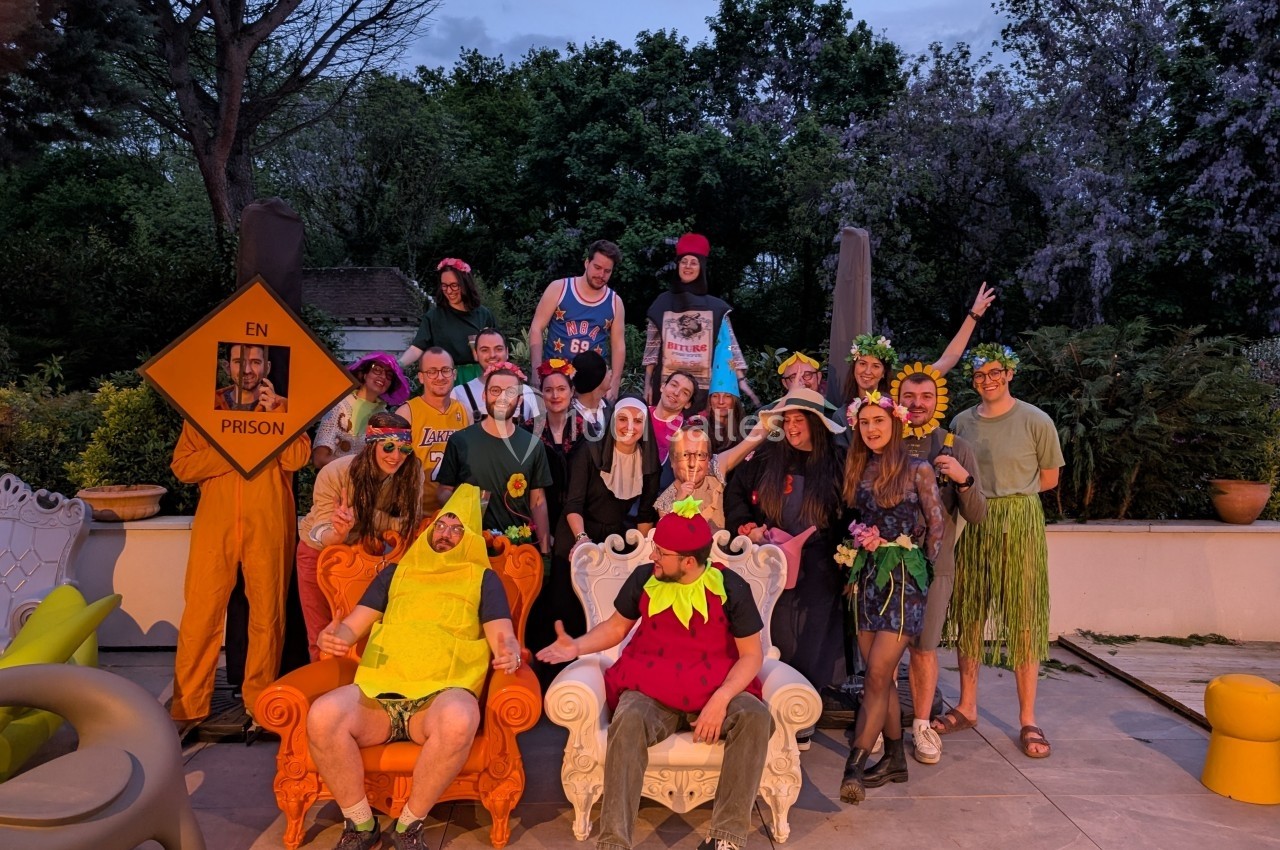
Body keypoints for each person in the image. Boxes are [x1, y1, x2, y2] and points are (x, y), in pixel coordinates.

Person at [536, 497, 772, 850]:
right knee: (628, 720)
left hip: (713, 687)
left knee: (755, 717)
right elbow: (615, 628)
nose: (652, 556)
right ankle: (614, 842)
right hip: (651, 688)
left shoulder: (732, 588)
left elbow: (752, 655)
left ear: (689, 561)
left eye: (661, 552)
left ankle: (726, 838)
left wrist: (722, 699)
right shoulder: (645, 577)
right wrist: (576, 647)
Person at [306, 485, 522, 850]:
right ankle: (360, 823)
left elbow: (503, 636)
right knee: (323, 715)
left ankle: (408, 825)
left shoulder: (483, 579)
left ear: (469, 538)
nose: (447, 533)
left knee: (460, 718)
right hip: (378, 696)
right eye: (442, 525)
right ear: (430, 529)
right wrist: (335, 636)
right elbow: (352, 624)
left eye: (457, 528)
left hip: (437, 700)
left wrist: (510, 652)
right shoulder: (396, 573)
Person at [935, 343, 1064, 759]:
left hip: (1019, 522)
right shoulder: (960, 421)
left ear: (1009, 374)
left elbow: (1048, 479)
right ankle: (968, 706)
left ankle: (1028, 718)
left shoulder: (1036, 420)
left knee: (1023, 617)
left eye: (994, 373)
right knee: (970, 613)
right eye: (979, 375)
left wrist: (1009, 498)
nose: (987, 381)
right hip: (972, 520)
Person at [837, 391, 945, 804]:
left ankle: (855, 766)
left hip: (903, 580)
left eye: (878, 422)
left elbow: (937, 526)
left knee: (879, 676)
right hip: (866, 578)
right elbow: (857, 519)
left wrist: (921, 570)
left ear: (894, 424)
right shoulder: (858, 467)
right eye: (864, 423)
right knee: (875, 675)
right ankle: (896, 758)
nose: (871, 429)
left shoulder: (918, 469)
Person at [168, 421, 311, 733]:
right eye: (238, 365)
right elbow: (183, 467)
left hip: (268, 521)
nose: (247, 368)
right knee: (200, 613)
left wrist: (277, 418)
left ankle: (260, 703)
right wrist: (233, 448)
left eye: (256, 365)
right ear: (228, 368)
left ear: (265, 368)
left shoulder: (279, 412)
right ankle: (188, 705)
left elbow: (298, 458)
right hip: (215, 523)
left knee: (268, 615)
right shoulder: (204, 413)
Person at [723, 388, 851, 733]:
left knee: (811, 636)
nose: (793, 427)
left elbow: (849, 513)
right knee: (772, 632)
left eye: (800, 420)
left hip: (819, 565)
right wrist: (743, 525)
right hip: (767, 564)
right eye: (788, 420)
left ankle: (802, 712)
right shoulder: (767, 456)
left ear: (816, 424)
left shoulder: (839, 461)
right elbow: (735, 493)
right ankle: (766, 705)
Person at [893, 363, 987, 765]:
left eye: (926, 397)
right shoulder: (882, 439)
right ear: (898, 400)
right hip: (885, 563)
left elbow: (979, 514)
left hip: (934, 565)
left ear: (938, 401)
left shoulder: (955, 446)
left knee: (924, 648)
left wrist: (963, 481)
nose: (917, 404)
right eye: (909, 397)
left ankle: (922, 724)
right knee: (880, 650)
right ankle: (880, 727)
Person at [296, 413, 426, 661]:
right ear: (371, 445)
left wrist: (367, 517)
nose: (396, 456)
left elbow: (409, 524)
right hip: (322, 556)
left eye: (404, 448)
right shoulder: (337, 472)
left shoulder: (412, 472)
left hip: (372, 557)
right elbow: (320, 530)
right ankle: (324, 689)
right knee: (323, 632)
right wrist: (339, 533)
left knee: (367, 633)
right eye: (388, 446)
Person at [543, 398, 661, 645]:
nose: (630, 426)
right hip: (577, 536)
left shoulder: (648, 460)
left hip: (615, 541)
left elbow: (645, 515)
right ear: (612, 421)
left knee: (605, 612)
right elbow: (573, 504)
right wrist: (582, 540)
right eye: (623, 419)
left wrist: (642, 551)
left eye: (638, 421)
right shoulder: (590, 450)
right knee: (567, 610)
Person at [436, 362, 552, 554]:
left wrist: (545, 550)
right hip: (468, 547)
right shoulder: (460, 441)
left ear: (520, 400)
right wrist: (465, 504)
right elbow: (443, 491)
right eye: (496, 390)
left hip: (517, 551)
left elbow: (538, 502)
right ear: (484, 395)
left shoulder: (533, 445)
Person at [643, 233, 759, 413]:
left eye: (694, 262)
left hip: (702, 396)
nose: (688, 266)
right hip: (665, 391)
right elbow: (652, 349)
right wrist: (647, 385)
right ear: (678, 265)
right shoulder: (662, 304)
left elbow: (729, 345)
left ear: (701, 267)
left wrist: (740, 381)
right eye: (684, 261)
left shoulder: (716, 308)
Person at [840, 283, 997, 406]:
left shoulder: (899, 393)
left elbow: (947, 360)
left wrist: (973, 315)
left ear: (883, 373)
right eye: (862, 363)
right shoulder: (841, 409)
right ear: (854, 367)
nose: (867, 371)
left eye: (876, 366)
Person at [529, 240, 626, 400]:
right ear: (587, 263)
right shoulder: (559, 288)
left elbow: (618, 346)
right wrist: (535, 370)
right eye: (597, 267)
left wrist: (614, 384)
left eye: (607, 271)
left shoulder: (615, 302)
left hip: (592, 385)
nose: (601, 275)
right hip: (556, 378)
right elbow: (536, 328)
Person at [398, 257, 497, 385]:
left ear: (465, 284)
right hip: (446, 378)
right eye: (444, 286)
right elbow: (417, 348)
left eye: (454, 285)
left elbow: (497, 350)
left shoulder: (484, 314)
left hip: (480, 377)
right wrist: (398, 364)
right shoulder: (434, 317)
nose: (449, 291)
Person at [395, 347, 469, 513]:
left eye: (445, 370)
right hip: (414, 514)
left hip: (452, 513)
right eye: (432, 372)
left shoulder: (464, 412)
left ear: (454, 374)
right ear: (421, 377)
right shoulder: (407, 413)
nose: (440, 377)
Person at [314, 353, 412, 469]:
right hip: (334, 483)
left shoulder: (385, 418)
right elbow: (319, 459)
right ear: (364, 374)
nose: (383, 377)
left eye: (389, 375)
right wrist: (360, 468)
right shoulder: (339, 406)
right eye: (377, 370)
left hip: (367, 486)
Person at [527, 358, 586, 535]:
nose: (555, 396)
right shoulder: (528, 431)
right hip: (538, 514)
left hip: (577, 515)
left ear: (572, 391)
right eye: (548, 390)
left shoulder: (586, 430)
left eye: (561, 389)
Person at [449, 328, 539, 423]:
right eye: (485, 350)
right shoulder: (459, 393)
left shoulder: (528, 393)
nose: (492, 355)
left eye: (498, 349)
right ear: (475, 354)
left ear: (507, 352)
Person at [214, 342, 287, 412]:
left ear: (267, 368)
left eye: (255, 362)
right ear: (227, 368)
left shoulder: (286, 406)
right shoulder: (209, 402)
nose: (247, 370)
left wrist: (274, 413)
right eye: (239, 362)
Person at [650, 370, 695, 465]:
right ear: (663, 386)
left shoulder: (687, 435)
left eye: (685, 393)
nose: (676, 393)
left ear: (688, 404)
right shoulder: (639, 414)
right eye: (674, 385)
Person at [570, 349, 612, 437]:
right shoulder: (568, 415)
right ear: (597, 379)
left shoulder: (612, 409)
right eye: (607, 370)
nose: (611, 374)